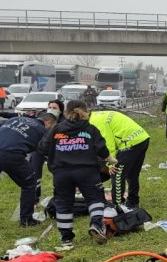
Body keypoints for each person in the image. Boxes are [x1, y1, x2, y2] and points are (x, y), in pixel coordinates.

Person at [38, 100, 114, 249]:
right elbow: (101, 149)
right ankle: (96, 225)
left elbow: (42, 148)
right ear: (86, 112)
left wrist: (57, 154)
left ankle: (66, 240)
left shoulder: (57, 128)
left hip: (61, 173)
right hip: (87, 171)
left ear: (66, 112)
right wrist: (110, 159)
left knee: (63, 204)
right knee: (95, 199)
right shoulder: (90, 129)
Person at [0, 111, 57, 226]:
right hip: (11, 154)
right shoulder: (42, 131)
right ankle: (26, 220)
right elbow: (45, 151)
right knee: (29, 183)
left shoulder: (14, 119)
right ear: (48, 123)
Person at [89, 109, 150, 210]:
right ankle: (133, 202)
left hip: (130, 142)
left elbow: (108, 144)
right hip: (141, 138)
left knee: (116, 173)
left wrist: (110, 164)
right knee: (132, 174)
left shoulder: (96, 122)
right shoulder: (97, 115)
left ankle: (118, 206)